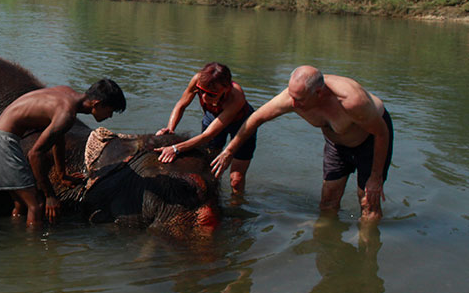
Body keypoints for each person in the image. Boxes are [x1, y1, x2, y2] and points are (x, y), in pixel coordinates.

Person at [210, 66, 394, 222]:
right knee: (328, 201)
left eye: (299, 100)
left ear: (319, 93)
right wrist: (229, 151)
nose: (293, 104)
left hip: (369, 142)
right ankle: (328, 242)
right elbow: (256, 118)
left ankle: (368, 251)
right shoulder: (293, 97)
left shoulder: (352, 101)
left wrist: (376, 177)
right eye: (292, 96)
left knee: (368, 201)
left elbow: (381, 133)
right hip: (336, 144)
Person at [0, 79, 126, 226]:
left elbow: (58, 139)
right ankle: (33, 246)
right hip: (3, 143)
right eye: (110, 111)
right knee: (37, 205)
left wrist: (62, 174)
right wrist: (50, 196)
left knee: (21, 202)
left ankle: (17, 231)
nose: (109, 116)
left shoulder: (66, 92)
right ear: (97, 104)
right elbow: (34, 154)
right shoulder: (67, 114)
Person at [154, 62, 257, 197]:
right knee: (210, 166)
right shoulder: (197, 80)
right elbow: (181, 105)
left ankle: (236, 207)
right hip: (212, 117)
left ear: (226, 89)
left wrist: (175, 148)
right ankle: (212, 196)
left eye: (211, 94)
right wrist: (170, 128)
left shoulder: (236, 96)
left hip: (242, 125)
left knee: (236, 179)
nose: (203, 97)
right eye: (201, 91)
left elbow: (208, 135)